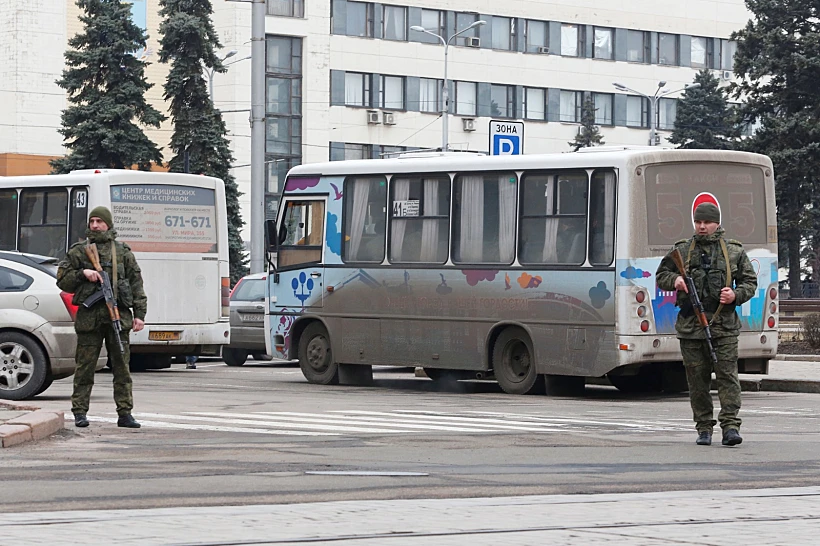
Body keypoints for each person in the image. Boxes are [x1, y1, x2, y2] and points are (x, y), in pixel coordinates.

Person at [656, 203, 757, 447]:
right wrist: (677, 280)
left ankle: (730, 426)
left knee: (727, 377)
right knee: (697, 380)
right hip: (692, 327)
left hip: (724, 326)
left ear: (717, 223)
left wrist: (735, 296)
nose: (702, 227)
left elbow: (749, 282)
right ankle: (703, 428)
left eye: (707, 222)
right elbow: (661, 276)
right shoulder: (682, 249)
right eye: (698, 222)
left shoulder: (733, 251)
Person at [57, 206, 147, 429]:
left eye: (99, 221)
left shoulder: (122, 252)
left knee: (122, 369)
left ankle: (125, 413)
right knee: (85, 368)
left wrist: (140, 314)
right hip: (90, 320)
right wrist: (83, 274)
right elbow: (62, 280)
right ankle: (79, 411)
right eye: (92, 221)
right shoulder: (80, 251)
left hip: (118, 318)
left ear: (108, 224)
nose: (95, 225)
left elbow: (136, 284)